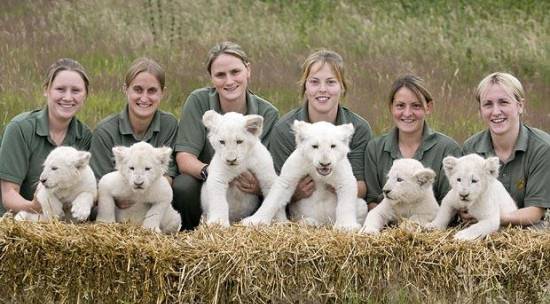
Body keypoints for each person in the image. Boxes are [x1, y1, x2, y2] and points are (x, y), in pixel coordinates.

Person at [172, 41, 279, 230]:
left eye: (235, 72)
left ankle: (258, 230)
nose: (229, 81)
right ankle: (187, 233)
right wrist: (213, 173)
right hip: (209, 179)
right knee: (183, 185)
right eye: (220, 75)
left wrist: (257, 186)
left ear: (248, 70)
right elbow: (184, 158)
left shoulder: (265, 113)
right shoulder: (198, 101)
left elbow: (270, 169)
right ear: (212, 78)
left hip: (249, 185)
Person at [269, 49, 372, 203]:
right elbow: (275, 185)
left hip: (337, 208)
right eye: (314, 82)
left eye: (331, 82)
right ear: (305, 87)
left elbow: (362, 186)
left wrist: (342, 185)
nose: (322, 89)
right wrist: (294, 193)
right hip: (300, 216)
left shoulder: (358, 128)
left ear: (342, 86)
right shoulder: (285, 128)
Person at [0, 58, 92, 215]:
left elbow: (86, 185)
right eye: (60, 89)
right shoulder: (20, 129)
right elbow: (8, 194)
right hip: (20, 219)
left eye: (76, 91)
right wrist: (35, 207)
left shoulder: (84, 136)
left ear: (85, 95)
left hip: (59, 222)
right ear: (46, 90)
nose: (68, 98)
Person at [462, 72, 550, 226]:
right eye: (488, 104)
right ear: (480, 110)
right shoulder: (471, 148)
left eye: (503, 102)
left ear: (520, 106)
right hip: (480, 233)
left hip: (528, 235)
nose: (496, 112)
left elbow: (536, 211)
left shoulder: (542, 148)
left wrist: (495, 218)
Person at [364, 75, 461, 210]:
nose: (407, 113)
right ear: (391, 107)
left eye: (416, 106)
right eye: (400, 106)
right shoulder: (375, 148)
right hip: (387, 225)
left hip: (429, 225)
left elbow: (452, 204)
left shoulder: (448, 149)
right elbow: (371, 200)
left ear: (428, 107)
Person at [90, 57, 178, 180]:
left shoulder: (169, 124)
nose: (144, 98)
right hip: (116, 196)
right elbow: (101, 183)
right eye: (138, 90)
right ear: (125, 89)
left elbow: (169, 176)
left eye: (152, 91)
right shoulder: (104, 132)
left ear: (162, 93)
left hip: (155, 196)